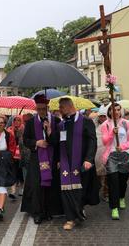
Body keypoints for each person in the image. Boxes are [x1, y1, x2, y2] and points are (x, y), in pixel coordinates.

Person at [21, 94, 63, 224]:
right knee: (37, 186)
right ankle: (38, 213)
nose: (40, 112)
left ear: (47, 107)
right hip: (36, 159)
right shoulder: (30, 123)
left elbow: (59, 141)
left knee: (50, 185)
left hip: (53, 157)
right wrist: (36, 143)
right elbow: (25, 140)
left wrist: (50, 132)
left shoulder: (56, 122)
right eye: (38, 109)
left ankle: (48, 211)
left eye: (43, 109)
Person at [58, 98, 99, 230]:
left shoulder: (86, 122)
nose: (60, 111)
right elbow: (59, 142)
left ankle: (78, 212)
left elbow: (92, 141)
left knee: (79, 191)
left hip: (82, 163)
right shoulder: (63, 124)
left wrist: (89, 159)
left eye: (61, 108)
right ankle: (71, 218)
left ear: (69, 106)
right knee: (67, 190)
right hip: (65, 163)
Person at [101, 103, 129, 220]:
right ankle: (114, 207)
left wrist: (123, 146)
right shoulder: (105, 125)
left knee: (122, 181)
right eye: (113, 110)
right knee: (113, 182)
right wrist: (112, 133)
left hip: (125, 156)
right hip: (111, 156)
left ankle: (122, 197)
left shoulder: (127, 123)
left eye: (118, 110)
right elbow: (105, 141)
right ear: (109, 111)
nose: (116, 112)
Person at [7, 115, 25, 199]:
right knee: (13, 173)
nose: (16, 122)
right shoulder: (9, 130)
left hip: (22, 155)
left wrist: (19, 133)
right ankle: (13, 191)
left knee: (21, 173)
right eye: (15, 120)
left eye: (18, 120)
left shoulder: (24, 129)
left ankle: (22, 188)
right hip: (12, 155)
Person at [94, 106, 109, 202]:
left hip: (107, 152)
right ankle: (96, 192)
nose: (102, 118)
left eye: (104, 116)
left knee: (107, 174)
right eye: (101, 116)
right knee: (97, 175)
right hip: (96, 153)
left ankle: (105, 193)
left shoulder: (109, 126)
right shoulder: (94, 125)